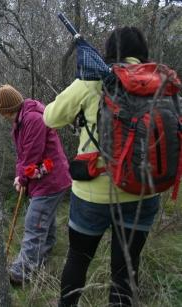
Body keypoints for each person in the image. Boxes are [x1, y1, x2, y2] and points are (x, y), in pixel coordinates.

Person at [43, 27, 160, 307]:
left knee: (78, 260)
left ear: (109, 51)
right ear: (142, 53)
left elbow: (50, 118)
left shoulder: (92, 79)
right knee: (125, 271)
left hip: (93, 194)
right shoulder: (160, 82)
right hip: (144, 192)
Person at [0, 85, 71, 285]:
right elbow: (23, 155)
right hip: (45, 178)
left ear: (10, 109)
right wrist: (21, 177)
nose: (3, 117)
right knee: (45, 220)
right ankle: (42, 262)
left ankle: (20, 274)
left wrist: (22, 178)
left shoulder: (33, 119)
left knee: (34, 223)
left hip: (51, 179)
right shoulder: (21, 119)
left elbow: (31, 155)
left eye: (3, 113)